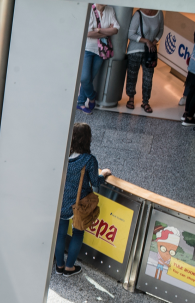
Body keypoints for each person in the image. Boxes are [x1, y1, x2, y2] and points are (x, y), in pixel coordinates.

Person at [54, 123, 111, 276]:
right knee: (78, 232)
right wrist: (104, 173)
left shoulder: (62, 154)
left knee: (60, 233)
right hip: (79, 203)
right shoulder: (88, 160)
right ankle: (69, 267)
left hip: (61, 200)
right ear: (87, 139)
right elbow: (95, 181)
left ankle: (59, 265)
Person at [77, 4, 119, 114]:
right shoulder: (90, 9)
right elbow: (88, 33)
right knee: (84, 78)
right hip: (87, 49)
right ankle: (92, 97)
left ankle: (80, 102)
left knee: (89, 79)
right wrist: (106, 31)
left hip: (101, 51)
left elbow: (115, 30)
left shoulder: (110, 10)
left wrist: (99, 30)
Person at [125, 9, 163, 113]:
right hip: (135, 50)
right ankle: (131, 98)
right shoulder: (138, 14)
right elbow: (130, 34)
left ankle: (145, 102)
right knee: (132, 75)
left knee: (148, 77)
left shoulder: (159, 13)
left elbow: (161, 30)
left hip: (150, 52)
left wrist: (154, 41)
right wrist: (147, 41)